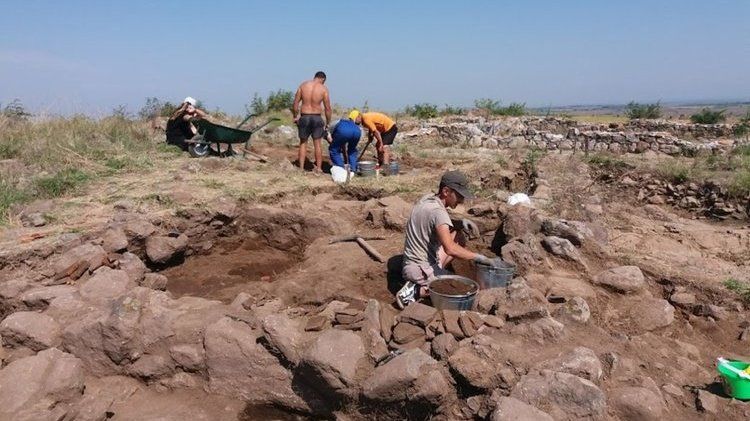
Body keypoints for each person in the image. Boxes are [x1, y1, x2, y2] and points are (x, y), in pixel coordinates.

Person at [397, 170, 500, 309]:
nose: (461, 200)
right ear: (446, 191)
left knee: (458, 235)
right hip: (420, 270)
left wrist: (460, 223)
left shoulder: (427, 199)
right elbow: (450, 249)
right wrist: (479, 257)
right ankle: (415, 291)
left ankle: (432, 277)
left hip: (413, 263)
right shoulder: (439, 212)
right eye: (459, 196)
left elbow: (433, 221)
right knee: (466, 291)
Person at [292, 71, 332, 172]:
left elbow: (295, 103)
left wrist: (295, 116)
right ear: (322, 79)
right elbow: (328, 108)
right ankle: (318, 169)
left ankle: (301, 168)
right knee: (317, 143)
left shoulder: (303, 85)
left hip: (304, 116)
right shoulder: (323, 89)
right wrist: (328, 122)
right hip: (317, 118)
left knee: (303, 143)